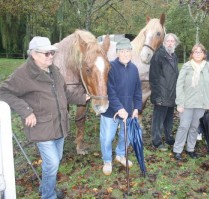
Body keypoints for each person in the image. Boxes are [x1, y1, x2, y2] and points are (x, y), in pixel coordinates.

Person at [0, 36, 89, 199]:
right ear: (34, 54)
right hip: (42, 127)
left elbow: (65, 94)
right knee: (53, 163)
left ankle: (45, 187)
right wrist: (26, 110)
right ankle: (48, 195)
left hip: (60, 125)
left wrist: (83, 98)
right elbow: (3, 92)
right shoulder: (23, 74)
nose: (50, 56)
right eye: (46, 53)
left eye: (52, 53)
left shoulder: (54, 71)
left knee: (53, 162)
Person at [99, 38, 142, 176]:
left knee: (126, 136)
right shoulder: (110, 67)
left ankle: (120, 155)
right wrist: (119, 108)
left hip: (128, 111)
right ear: (117, 53)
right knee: (107, 138)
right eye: (122, 51)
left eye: (128, 51)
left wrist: (136, 108)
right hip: (111, 111)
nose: (125, 54)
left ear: (131, 52)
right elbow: (110, 91)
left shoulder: (134, 69)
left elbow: (137, 91)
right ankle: (107, 160)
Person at [173, 44, 209, 160]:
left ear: (204, 54)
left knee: (194, 127)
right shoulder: (187, 66)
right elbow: (179, 85)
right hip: (187, 103)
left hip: (202, 103)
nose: (198, 54)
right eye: (195, 52)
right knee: (184, 126)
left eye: (200, 52)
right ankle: (177, 149)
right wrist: (180, 103)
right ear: (192, 54)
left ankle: (190, 149)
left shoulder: (208, 67)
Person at [149, 33, 180, 151]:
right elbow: (154, 77)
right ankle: (156, 141)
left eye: (172, 41)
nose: (170, 43)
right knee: (158, 119)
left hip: (172, 94)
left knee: (169, 119)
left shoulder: (174, 56)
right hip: (161, 94)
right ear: (164, 42)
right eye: (168, 41)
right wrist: (157, 96)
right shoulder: (158, 56)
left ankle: (168, 137)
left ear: (175, 43)